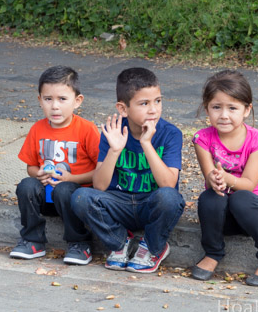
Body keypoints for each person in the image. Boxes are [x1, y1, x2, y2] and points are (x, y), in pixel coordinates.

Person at [71, 68, 185, 273]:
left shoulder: (171, 134)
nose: (153, 110)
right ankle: (120, 242)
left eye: (157, 101)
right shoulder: (113, 133)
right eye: (144, 103)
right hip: (120, 202)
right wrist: (115, 150)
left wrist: (147, 144)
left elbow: (168, 185)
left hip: (152, 203)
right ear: (123, 109)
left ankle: (152, 247)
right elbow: (100, 186)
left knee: (169, 197)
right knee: (81, 197)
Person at [191, 70, 258, 286]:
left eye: (232, 108)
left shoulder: (257, 140)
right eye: (216, 107)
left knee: (240, 197)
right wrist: (215, 179)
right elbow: (209, 176)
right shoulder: (202, 138)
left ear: (246, 110)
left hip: (254, 211)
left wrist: (226, 177)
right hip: (223, 217)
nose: (224, 115)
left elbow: (249, 184)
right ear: (207, 108)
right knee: (209, 197)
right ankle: (213, 253)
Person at [11, 66, 100, 265]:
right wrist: (38, 173)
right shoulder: (37, 129)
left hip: (74, 198)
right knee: (26, 185)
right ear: (40, 100)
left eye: (62, 99)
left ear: (77, 101)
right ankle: (32, 240)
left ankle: (80, 243)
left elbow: (100, 171)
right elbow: (31, 166)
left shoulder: (87, 130)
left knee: (65, 189)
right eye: (48, 99)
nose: (55, 106)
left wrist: (72, 179)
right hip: (47, 196)